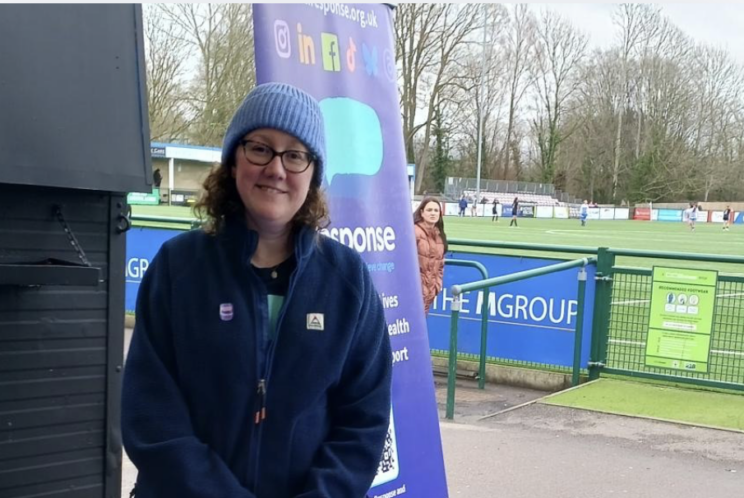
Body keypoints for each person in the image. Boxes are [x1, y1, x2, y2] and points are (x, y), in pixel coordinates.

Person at [121, 82, 392, 498]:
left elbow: (363, 420)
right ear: (233, 162)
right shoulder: (178, 268)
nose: (277, 169)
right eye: (260, 148)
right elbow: (151, 416)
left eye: (295, 155)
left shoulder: (348, 281)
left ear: (313, 174)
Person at [414, 197, 448, 315]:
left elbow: (440, 264)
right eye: (429, 210)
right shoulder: (414, 232)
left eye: (436, 210)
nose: (433, 213)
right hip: (414, 292)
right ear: (422, 212)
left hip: (429, 292)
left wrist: (437, 285)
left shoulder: (439, 236)